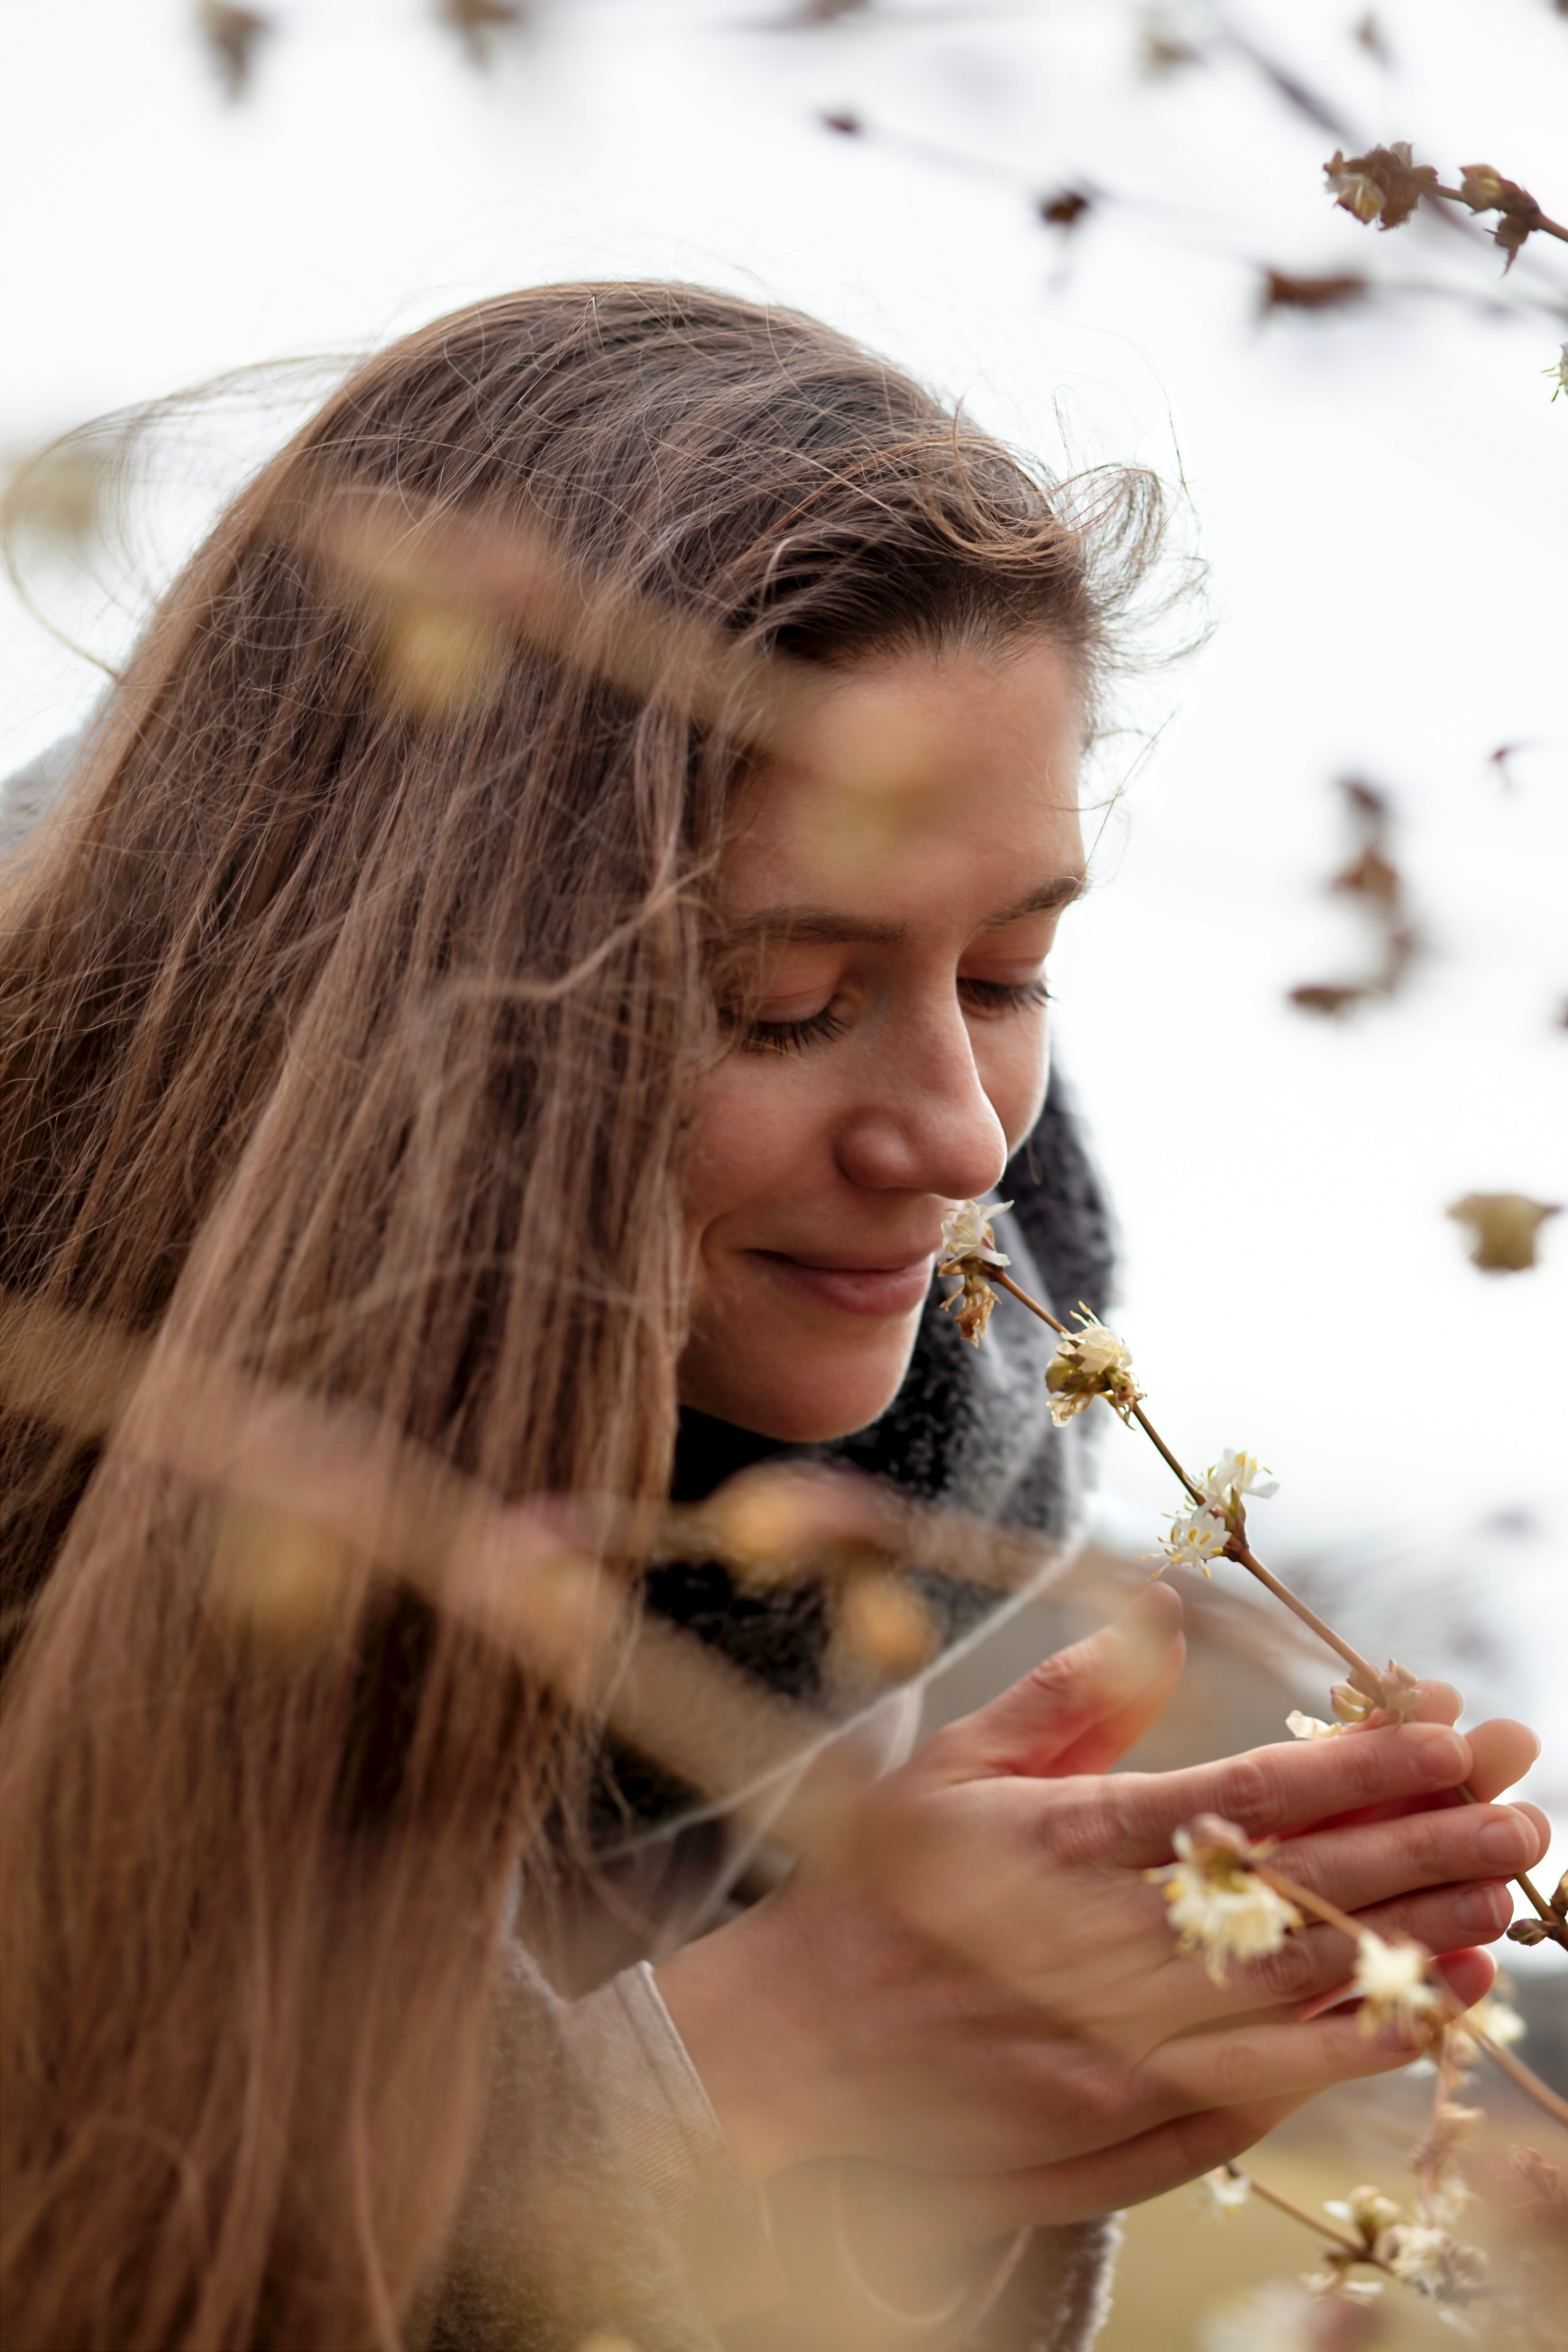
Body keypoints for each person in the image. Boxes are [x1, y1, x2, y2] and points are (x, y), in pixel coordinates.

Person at [0, 283, 1546, 2352]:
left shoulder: (834, 1517)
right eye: (785, 1004)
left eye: (1005, 979)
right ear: (384, 1021)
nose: (954, 1138)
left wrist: (913, 2175)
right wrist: (725, 2079)